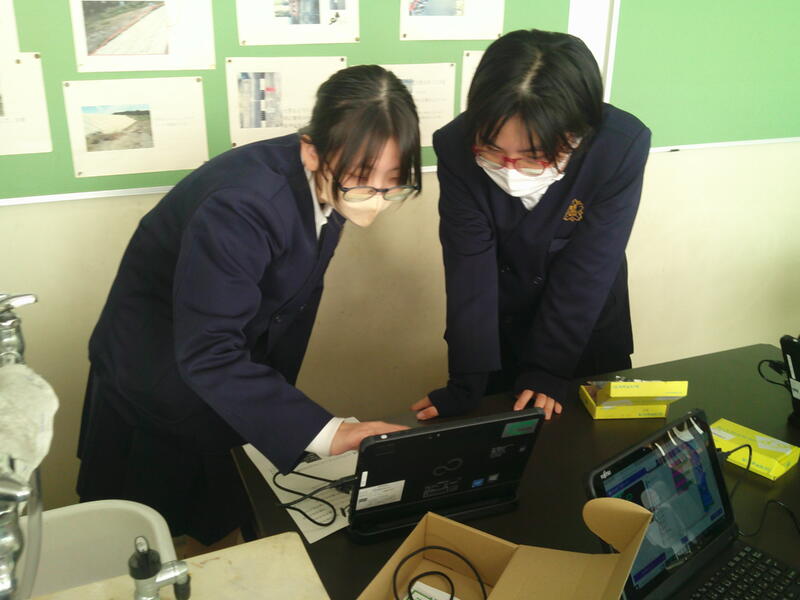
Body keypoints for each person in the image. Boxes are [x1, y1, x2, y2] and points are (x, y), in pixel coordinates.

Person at [77, 65, 421, 550]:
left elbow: (284, 301)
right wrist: (326, 433)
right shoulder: (243, 204)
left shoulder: (327, 176)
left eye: (393, 184)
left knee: (224, 518)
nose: (376, 200)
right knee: (145, 541)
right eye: (363, 181)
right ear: (311, 149)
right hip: (156, 381)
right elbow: (209, 350)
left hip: (226, 379)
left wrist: (279, 410)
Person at [412, 29, 651, 422]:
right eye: (491, 150)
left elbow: (590, 265)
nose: (509, 169)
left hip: (583, 330)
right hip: (498, 331)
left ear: (578, 135)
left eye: (533, 157)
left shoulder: (618, 147)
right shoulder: (455, 145)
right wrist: (467, 379)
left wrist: (548, 367)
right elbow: (468, 265)